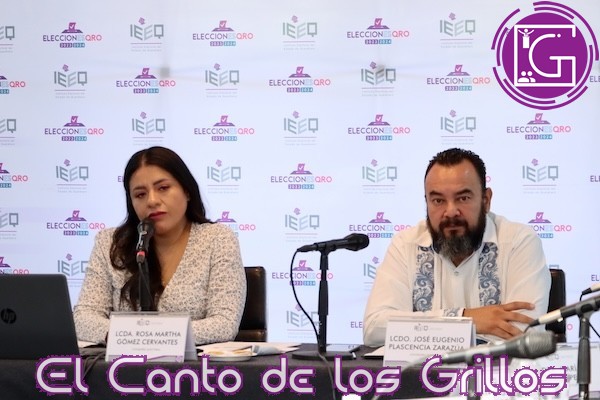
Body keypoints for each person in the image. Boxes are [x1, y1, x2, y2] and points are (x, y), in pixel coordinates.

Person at [363, 148, 550, 347]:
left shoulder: (518, 242)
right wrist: (467, 318)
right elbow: (374, 328)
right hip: (420, 369)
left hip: (494, 369)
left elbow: (522, 331)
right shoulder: (405, 245)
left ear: (486, 200)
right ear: (427, 203)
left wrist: (419, 332)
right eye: (438, 201)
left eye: (463, 198)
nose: (451, 212)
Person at [73, 146, 246, 345]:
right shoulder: (111, 243)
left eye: (163, 188)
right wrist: (129, 336)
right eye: (140, 194)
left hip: (194, 364)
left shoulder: (217, 239)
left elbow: (224, 324)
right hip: (124, 363)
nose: (152, 201)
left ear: (187, 191)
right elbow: (84, 317)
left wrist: (146, 335)